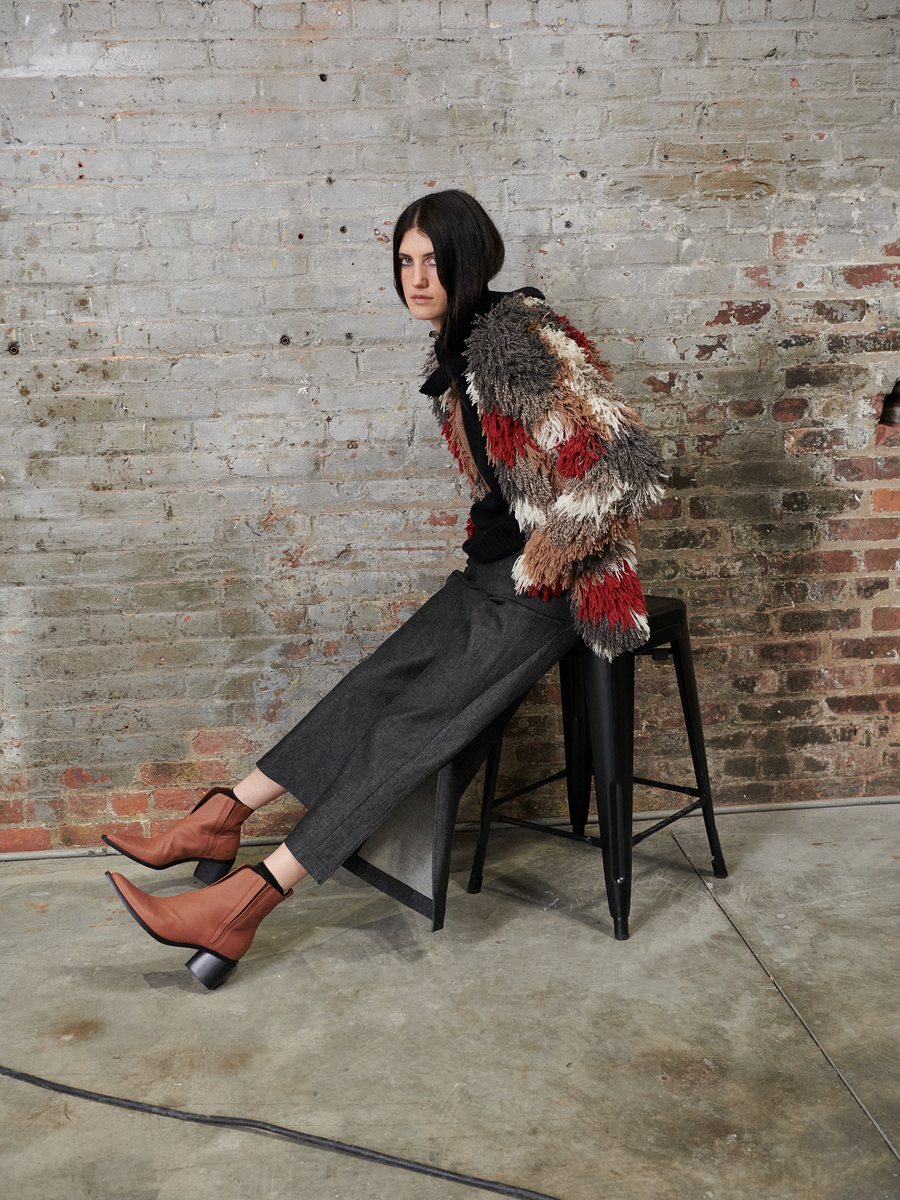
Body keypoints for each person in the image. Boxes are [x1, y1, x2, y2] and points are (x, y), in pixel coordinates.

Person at [103, 189, 666, 989]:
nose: (416, 277)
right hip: (489, 580)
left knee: (406, 727)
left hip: (556, 591)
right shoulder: (456, 349)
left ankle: (245, 904)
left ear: (470, 258)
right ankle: (222, 818)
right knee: (371, 688)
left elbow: (628, 465)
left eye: (433, 260)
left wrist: (541, 560)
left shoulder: (517, 338)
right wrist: (491, 547)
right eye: (405, 261)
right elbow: (503, 481)